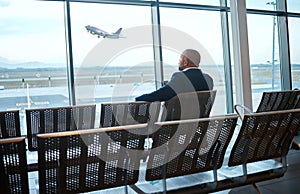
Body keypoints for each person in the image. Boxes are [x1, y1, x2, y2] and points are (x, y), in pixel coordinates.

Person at [135, 49, 213, 102]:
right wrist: (170, 84)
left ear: (185, 61)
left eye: (180, 59)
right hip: (199, 122)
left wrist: (138, 99)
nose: (178, 62)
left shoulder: (180, 77)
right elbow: (191, 88)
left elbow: (160, 95)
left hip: (176, 123)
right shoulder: (208, 79)